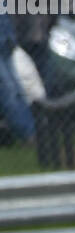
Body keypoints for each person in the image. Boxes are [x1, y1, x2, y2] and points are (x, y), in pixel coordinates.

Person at [0, 11, 37, 145]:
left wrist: (10, 39)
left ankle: (30, 131)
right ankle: (28, 134)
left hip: (5, 42)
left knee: (17, 90)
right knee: (9, 91)